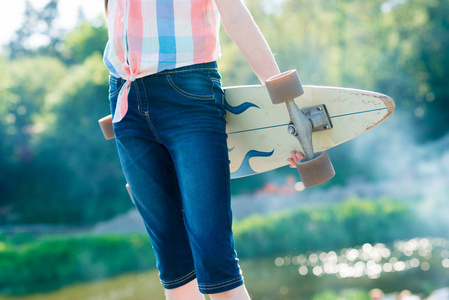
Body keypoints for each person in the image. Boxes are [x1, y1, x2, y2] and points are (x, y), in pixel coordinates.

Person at [103, 0, 304, 298]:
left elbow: (234, 13)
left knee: (215, 259)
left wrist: (283, 104)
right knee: (173, 265)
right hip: (125, 97)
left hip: (188, 91)